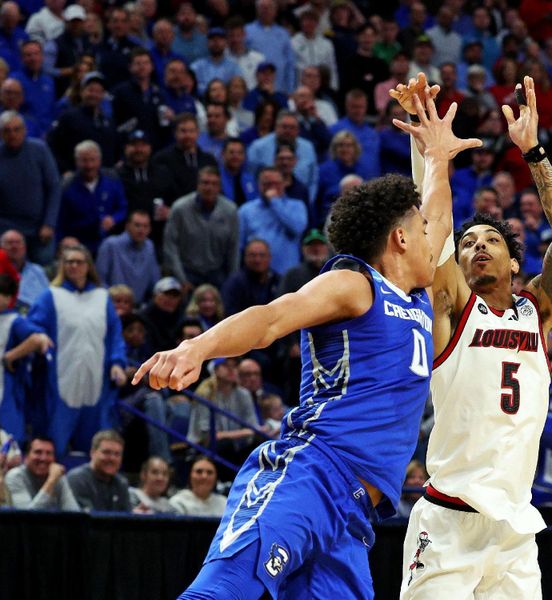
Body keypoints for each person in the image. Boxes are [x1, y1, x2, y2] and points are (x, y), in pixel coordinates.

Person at [133, 75, 479, 598]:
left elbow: (437, 208)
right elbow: (272, 317)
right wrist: (195, 348)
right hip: (310, 474)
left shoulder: (416, 298)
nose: (438, 237)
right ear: (400, 238)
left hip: (354, 517)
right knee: (220, 593)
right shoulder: (356, 283)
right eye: (424, 233)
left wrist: (436, 156)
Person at [399, 76, 552, 598]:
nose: (477, 247)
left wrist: (534, 152)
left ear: (514, 261)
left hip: (514, 531)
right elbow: (432, 238)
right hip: (448, 523)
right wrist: (431, 157)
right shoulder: (455, 310)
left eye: (490, 241)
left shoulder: (537, 312)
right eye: (469, 243)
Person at [28, 245, 127, 457]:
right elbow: (34, 327)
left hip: (95, 378)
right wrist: (39, 337)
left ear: (88, 266)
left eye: (79, 262)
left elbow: (114, 333)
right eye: (69, 262)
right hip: (61, 377)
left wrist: (118, 362)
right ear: (62, 266)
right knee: (55, 442)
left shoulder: (102, 297)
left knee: (94, 443)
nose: (74, 266)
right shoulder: (50, 296)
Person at [0, 274, 51, 440]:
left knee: (6, 436)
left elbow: (38, 340)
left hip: (1, 387)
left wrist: (11, 356)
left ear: (8, 299)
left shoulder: (15, 320)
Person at [0, 111, 60, 265]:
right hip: (7, 226)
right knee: (7, 270)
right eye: (7, 130)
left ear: (25, 130)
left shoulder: (40, 150)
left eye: (16, 129)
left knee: (44, 263)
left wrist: (49, 223)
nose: (12, 134)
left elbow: (54, 188)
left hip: (40, 225)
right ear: (0, 134)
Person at [164, 166, 239, 289]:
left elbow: (233, 248)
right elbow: (170, 246)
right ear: (197, 185)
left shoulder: (230, 210)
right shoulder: (179, 208)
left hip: (217, 273)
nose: (209, 188)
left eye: (214, 184)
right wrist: (181, 279)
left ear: (219, 187)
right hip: (187, 272)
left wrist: (232, 280)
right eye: (205, 183)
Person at [96, 210, 161, 304]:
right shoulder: (110, 244)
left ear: (150, 229)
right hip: (113, 306)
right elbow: (99, 280)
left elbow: (155, 282)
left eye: (145, 226)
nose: (141, 230)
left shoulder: (149, 246)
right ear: (127, 226)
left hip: (139, 308)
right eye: (137, 225)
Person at [4, 436, 80, 510]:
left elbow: (74, 512)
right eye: (38, 452)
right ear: (26, 457)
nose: (43, 458)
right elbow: (26, 518)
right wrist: (51, 481)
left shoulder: (57, 477)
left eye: (49, 453)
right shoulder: (15, 476)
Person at [66, 429, 131, 512]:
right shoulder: (77, 479)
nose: (112, 458)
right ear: (92, 453)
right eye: (106, 452)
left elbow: (127, 519)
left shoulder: (121, 483)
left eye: (117, 454)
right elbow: (88, 520)